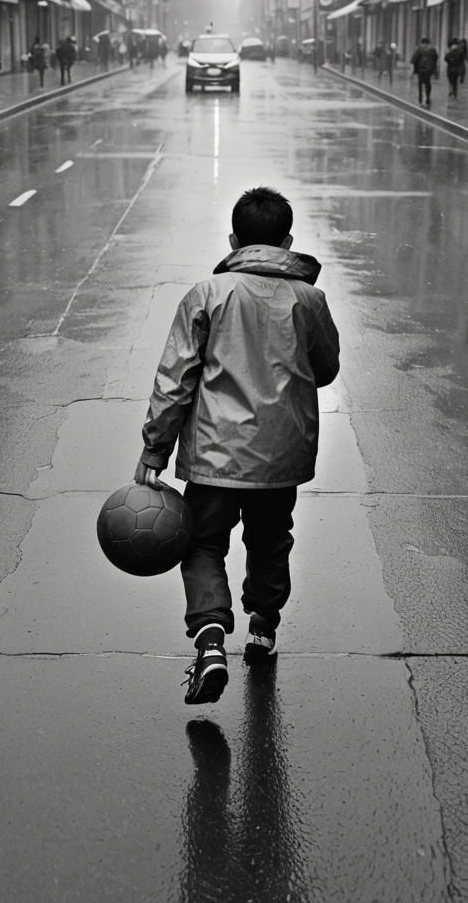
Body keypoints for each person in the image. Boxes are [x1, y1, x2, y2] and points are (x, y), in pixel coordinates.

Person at [134, 187, 340, 706]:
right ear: (287, 241)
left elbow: (175, 379)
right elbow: (326, 369)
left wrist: (155, 450)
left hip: (214, 457)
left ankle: (209, 640)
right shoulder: (310, 300)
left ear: (233, 240)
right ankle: (263, 629)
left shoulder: (207, 294)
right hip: (281, 456)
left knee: (203, 544)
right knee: (270, 540)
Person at [410, 36, 439, 107]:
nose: (425, 45)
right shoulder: (432, 50)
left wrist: (413, 70)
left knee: (421, 84)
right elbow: (435, 59)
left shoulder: (419, 50)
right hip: (428, 70)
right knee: (427, 83)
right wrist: (435, 71)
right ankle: (427, 98)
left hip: (421, 70)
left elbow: (413, 59)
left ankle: (421, 99)